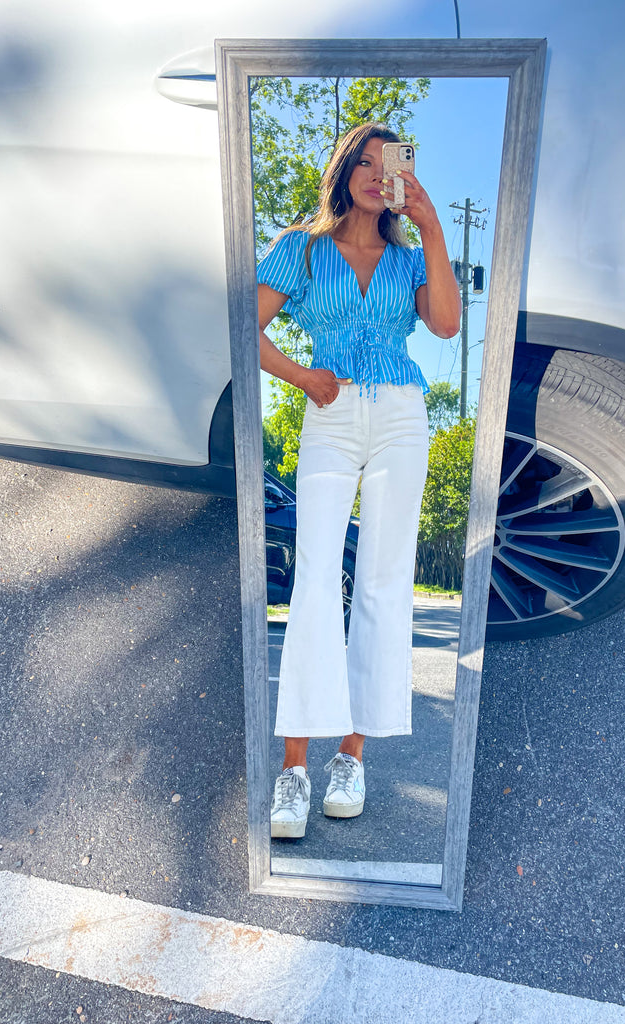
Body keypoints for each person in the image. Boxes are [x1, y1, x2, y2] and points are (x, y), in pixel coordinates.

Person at [257, 122, 461, 838]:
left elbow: (443, 325)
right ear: (344, 171)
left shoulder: (409, 262)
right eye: (365, 163)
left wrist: (430, 223)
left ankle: (352, 756)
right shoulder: (301, 250)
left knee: (381, 579)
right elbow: (243, 326)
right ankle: (293, 770)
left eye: (391, 165)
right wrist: (302, 375)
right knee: (315, 578)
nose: (377, 175)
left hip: (403, 415)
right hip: (333, 409)